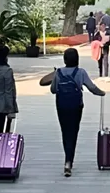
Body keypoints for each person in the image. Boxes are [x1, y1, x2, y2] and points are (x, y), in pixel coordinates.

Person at [39, 47, 106, 177]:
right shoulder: (81, 72)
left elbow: (53, 90)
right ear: (77, 59)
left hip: (62, 106)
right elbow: (92, 88)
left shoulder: (58, 72)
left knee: (65, 132)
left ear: (65, 60)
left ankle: (67, 160)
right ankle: (69, 160)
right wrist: (102, 93)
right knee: (73, 132)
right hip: (76, 106)